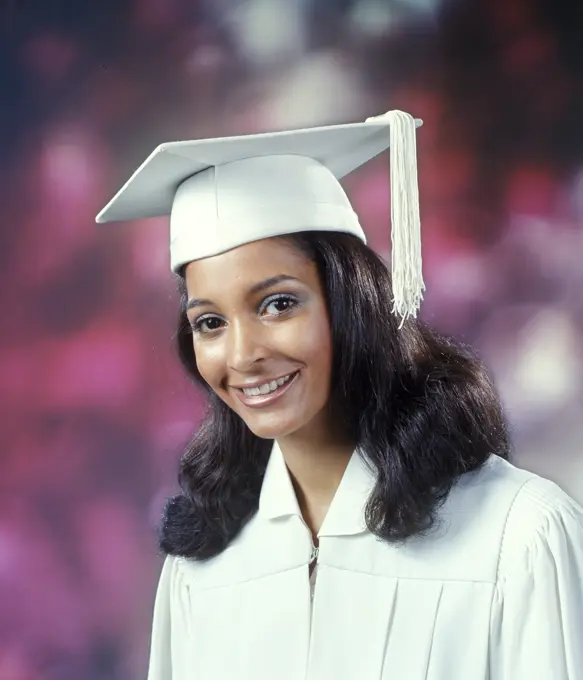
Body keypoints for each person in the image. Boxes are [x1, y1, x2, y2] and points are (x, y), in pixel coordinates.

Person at [97, 111, 583, 679]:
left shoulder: (516, 535)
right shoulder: (205, 567)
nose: (242, 354)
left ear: (352, 303)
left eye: (278, 303)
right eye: (209, 322)